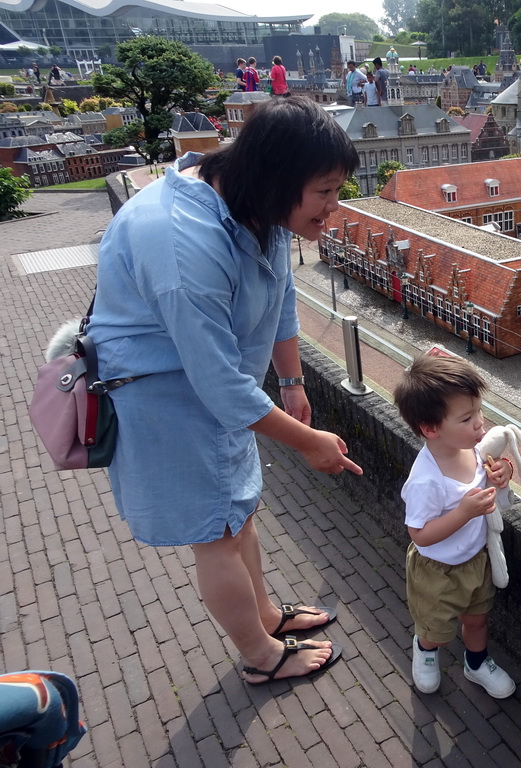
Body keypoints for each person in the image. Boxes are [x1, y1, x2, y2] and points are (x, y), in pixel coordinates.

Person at [88, 97, 363, 686]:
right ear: (279, 178)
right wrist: (308, 441)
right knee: (215, 534)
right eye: (325, 191)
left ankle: (265, 616)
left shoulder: (254, 202)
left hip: (215, 392)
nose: (333, 208)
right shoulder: (181, 242)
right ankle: (261, 657)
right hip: (164, 400)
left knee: (241, 515)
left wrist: (292, 384)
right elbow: (216, 382)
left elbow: (281, 290)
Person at [394, 354, 516, 699]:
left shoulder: (474, 449)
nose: (480, 424)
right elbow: (419, 535)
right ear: (431, 428)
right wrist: (463, 513)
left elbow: (495, 488)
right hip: (437, 570)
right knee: (436, 628)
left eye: (478, 412)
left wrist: (503, 473)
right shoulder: (426, 480)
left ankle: (476, 664)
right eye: (467, 418)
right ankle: (426, 650)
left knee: (477, 619)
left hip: (476, 559)